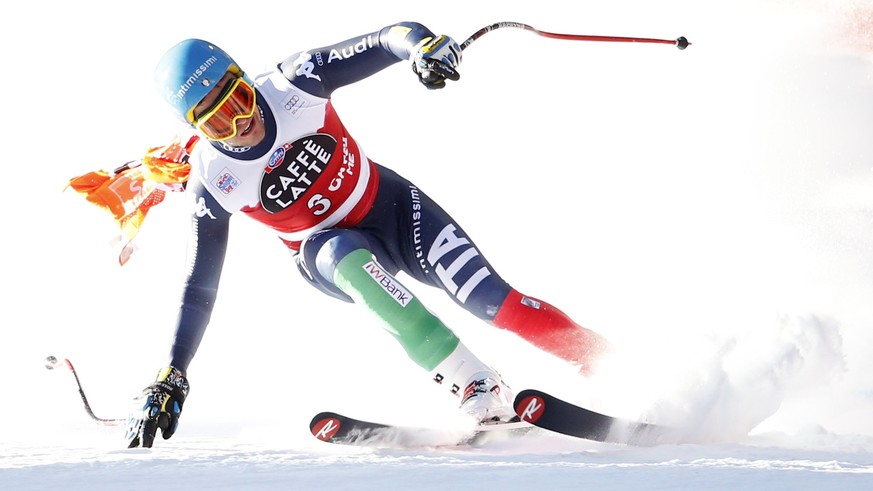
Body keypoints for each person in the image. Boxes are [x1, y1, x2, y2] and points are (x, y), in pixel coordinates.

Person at [117, 21, 608, 449]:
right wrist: (172, 373)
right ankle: (475, 385)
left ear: (247, 80)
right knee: (347, 256)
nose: (242, 122)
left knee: (498, 304)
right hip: (326, 250)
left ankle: (608, 362)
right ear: (197, 129)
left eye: (240, 100)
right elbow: (198, 289)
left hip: (392, 208)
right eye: (219, 120)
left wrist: (420, 48)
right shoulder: (213, 177)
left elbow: (387, 38)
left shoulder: (295, 81)